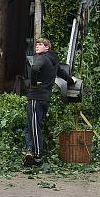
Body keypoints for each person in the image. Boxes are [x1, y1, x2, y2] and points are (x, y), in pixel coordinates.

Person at [24, 37, 74, 165]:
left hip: (36, 97)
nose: (37, 47)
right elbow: (62, 73)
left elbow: (35, 69)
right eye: (37, 45)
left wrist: (33, 84)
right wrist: (72, 81)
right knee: (31, 125)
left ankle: (38, 156)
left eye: (41, 44)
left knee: (34, 127)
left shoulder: (42, 57)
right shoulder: (54, 61)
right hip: (46, 99)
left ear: (47, 48)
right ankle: (29, 150)